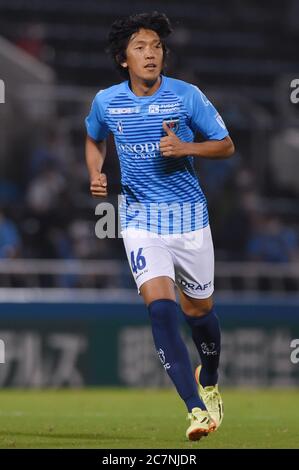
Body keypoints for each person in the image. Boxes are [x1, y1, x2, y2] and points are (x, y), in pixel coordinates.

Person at [85, 12, 235, 441]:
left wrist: (185, 146)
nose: (151, 54)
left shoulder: (187, 97)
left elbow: (226, 145)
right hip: (138, 220)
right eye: (140, 48)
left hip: (189, 222)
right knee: (161, 307)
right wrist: (96, 171)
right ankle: (195, 409)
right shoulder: (106, 101)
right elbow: (94, 136)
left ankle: (211, 379)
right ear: (122, 59)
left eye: (156, 47)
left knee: (199, 311)